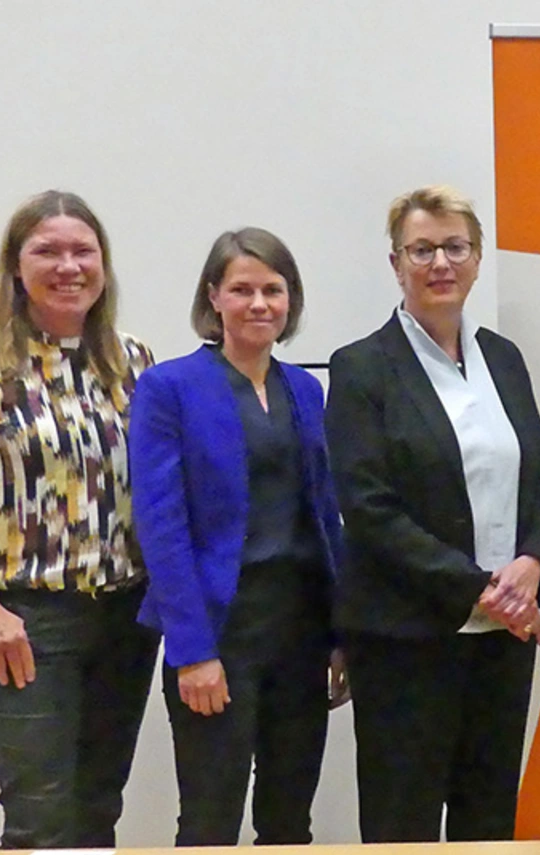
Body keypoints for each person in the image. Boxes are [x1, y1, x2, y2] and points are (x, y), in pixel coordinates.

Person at [326, 185, 540, 842]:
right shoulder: (361, 368)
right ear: (396, 263)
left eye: (455, 247)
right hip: (406, 639)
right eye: (422, 249)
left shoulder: (503, 359)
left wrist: (532, 563)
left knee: (487, 822)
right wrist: (483, 589)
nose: (440, 263)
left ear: (478, 259)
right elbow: (369, 509)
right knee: (401, 825)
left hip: (502, 641)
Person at [0, 190, 158, 849]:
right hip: (25, 621)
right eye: (47, 251)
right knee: (41, 819)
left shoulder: (132, 360)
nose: (68, 266)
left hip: (125, 619)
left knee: (97, 810)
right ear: (15, 265)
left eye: (83, 251)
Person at [130, 228, 348, 845]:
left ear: (290, 299)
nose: (259, 304)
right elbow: (162, 527)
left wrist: (341, 634)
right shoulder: (169, 388)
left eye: (273, 290)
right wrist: (192, 652)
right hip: (219, 634)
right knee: (210, 820)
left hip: (300, 632)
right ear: (213, 297)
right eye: (242, 289)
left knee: (289, 820)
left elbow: (324, 515)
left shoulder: (304, 388)